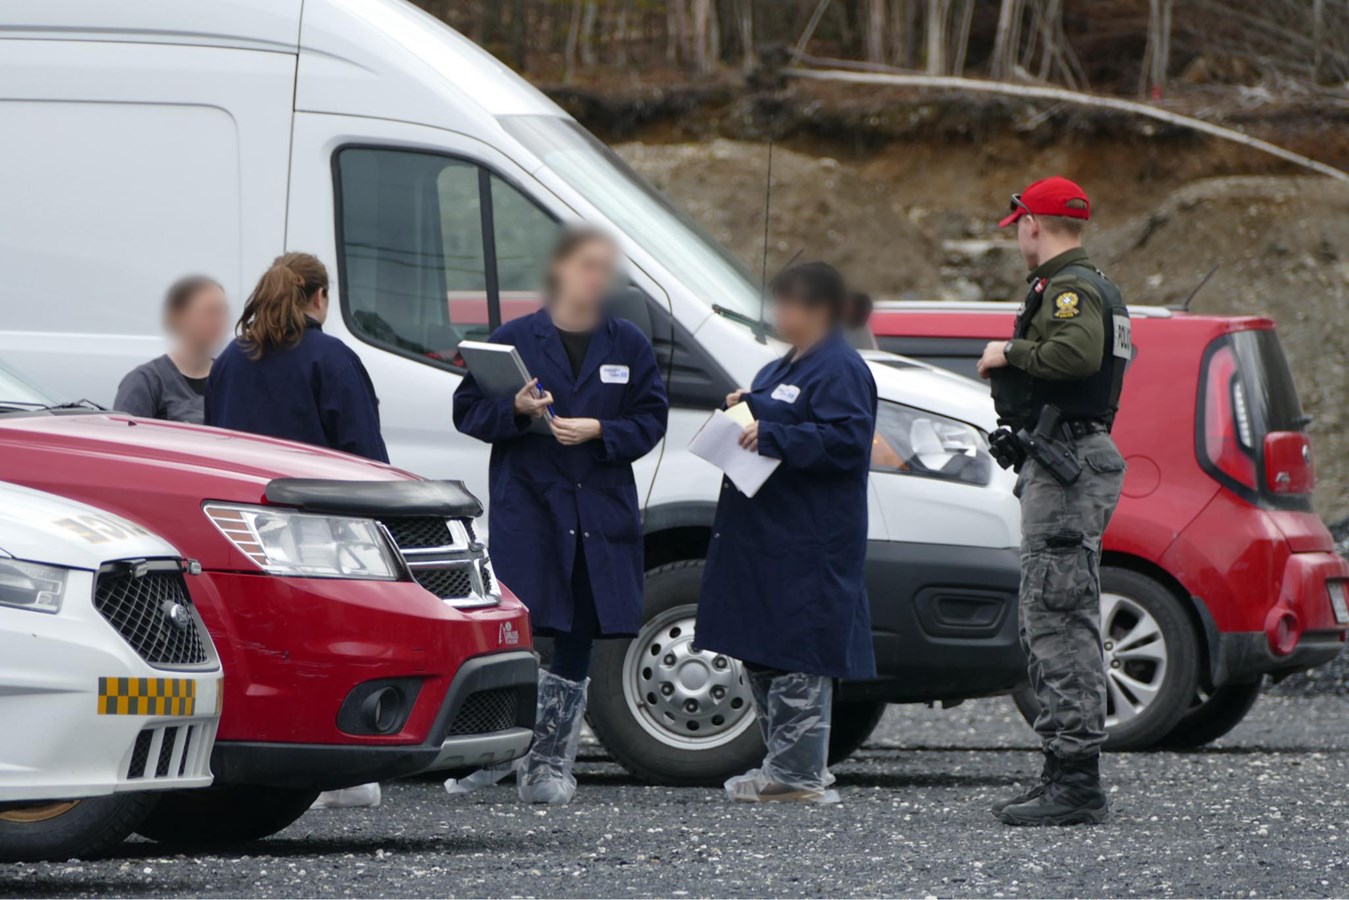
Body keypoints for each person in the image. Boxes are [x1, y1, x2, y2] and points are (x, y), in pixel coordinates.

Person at [450, 227, 669, 804]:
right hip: (533, 507)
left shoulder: (627, 343)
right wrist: (516, 409)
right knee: (518, 630)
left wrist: (601, 430)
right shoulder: (515, 339)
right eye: (587, 265)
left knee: (577, 632)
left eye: (605, 268)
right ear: (561, 271)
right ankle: (493, 750)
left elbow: (652, 419)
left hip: (596, 507)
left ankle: (547, 765)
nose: (597, 277)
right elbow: (467, 411)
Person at [976, 176, 1130, 827]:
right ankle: (1065, 772)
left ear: (1031, 223)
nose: (1017, 235)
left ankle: (1075, 782)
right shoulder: (1085, 285)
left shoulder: (1070, 288)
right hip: (1064, 458)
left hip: (1068, 465)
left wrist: (1005, 351)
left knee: (1058, 617)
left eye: (1018, 225)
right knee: (1055, 613)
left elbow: (1074, 354)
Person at [695, 261, 878, 804]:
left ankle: (799, 775)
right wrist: (746, 408)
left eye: (786, 303)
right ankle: (781, 765)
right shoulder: (780, 367)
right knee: (763, 640)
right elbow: (779, 413)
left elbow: (848, 441)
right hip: (765, 534)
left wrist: (775, 435)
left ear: (818, 308)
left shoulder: (840, 367)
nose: (777, 313)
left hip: (810, 537)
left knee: (799, 643)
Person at [205, 252, 388, 464]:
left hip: (241, 484)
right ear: (319, 296)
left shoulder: (229, 358)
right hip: (311, 485)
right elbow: (366, 455)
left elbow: (213, 442)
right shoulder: (333, 359)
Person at [113, 276, 230, 423]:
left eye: (223, 312)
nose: (219, 322)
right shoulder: (147, 381)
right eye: (209, 312)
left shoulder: (229, 378)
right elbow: (123, 434)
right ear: (178, 317)